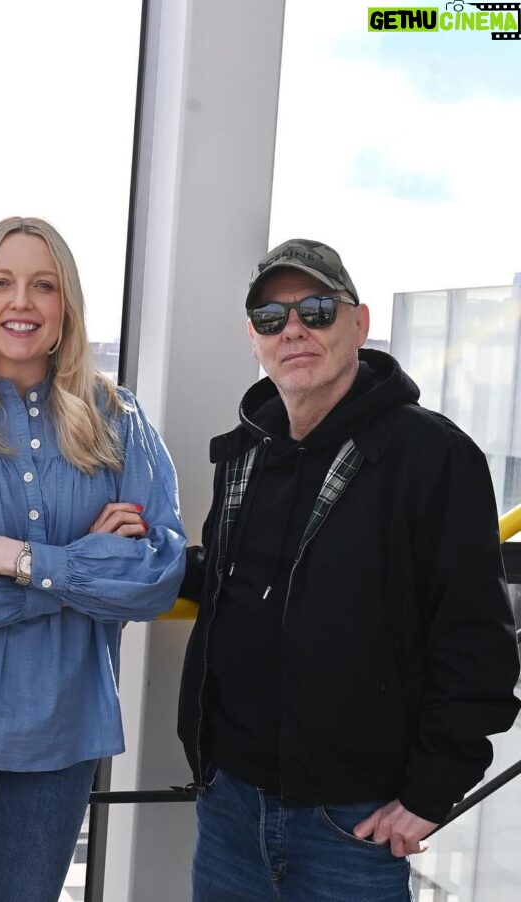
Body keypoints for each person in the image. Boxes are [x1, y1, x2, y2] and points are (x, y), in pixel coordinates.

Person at [176, 238, 521, 901]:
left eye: (316, 309)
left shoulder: (434, 458)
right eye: (272, 318)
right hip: (229, 813)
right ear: (254, 338)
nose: (294, 329)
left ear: (358, 324)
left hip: (351, 828)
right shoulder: (245, 453)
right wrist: (108, 559)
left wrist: (431, 793)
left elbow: (477, 644)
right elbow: (234, 586)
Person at [0, 217, 186, 901]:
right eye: (2, 283)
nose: (21, 302)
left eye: (42, 285)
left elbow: (159, 576)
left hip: (64, 729)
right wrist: (83, 567)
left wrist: (22, 559)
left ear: (65, 306)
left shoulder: (119, 420)